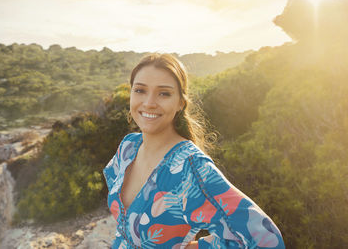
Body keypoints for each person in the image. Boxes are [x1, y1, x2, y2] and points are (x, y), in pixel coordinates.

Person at [103, 53, 285, 248]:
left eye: (164, 93)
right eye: (140, 90)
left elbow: (266, 239)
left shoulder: (191, 168)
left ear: (181, 102)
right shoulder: (128, 147)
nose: (149, 102)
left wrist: (193, 247)